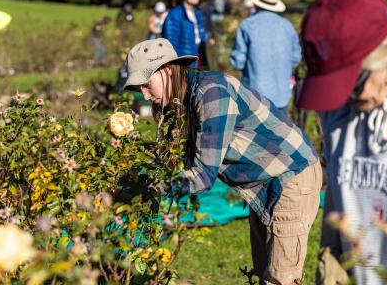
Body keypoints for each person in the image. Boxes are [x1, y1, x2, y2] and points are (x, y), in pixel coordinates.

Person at [124, 38, 322, 285]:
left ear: (165, 71)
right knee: (264, 271)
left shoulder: (211, 94)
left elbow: (203, 175)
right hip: (262, 183)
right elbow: (175, 161)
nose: (144, 95)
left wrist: (149, 189)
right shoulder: (178, 102)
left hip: (292, 174)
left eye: (146, 84)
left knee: (281, 278)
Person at [297, 0, 387, 285]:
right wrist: (331, 255)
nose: (342, 98)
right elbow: (338, 195)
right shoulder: (338, 110)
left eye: (349, 83)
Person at [230, 0, 301, 114]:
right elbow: (296, 58)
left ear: (255, 2)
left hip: (254, 95)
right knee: (280, 133)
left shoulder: (247, 25)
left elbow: (237, 62)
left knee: (253, 133)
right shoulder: (287, 26)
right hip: (282, 95)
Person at [162, 0, 210, 68]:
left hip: (198, 62)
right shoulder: (175, 15)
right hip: (183, 65)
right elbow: (169, 44)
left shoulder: (197, 14)